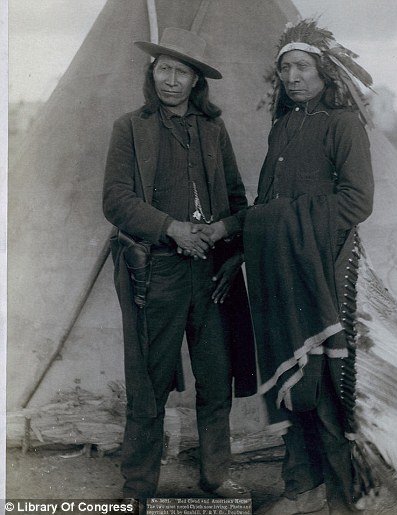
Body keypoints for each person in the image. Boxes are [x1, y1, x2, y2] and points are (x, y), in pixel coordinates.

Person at [102, 27, 256, 503]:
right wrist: (172, 228)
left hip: (210, 276)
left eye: (181, 72)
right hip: (157, 274)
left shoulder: (213, 130)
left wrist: (222, 235)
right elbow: (116, 200)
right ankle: (138, 489)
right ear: (153, 74)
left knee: (216, 379)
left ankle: (215, 477)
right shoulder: (130, 128)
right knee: (148, 384)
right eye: (164, 69)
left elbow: (237, 200)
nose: (171, 80)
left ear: (195, 82)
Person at [243, 19, 375, 515]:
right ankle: (301, 487)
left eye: (302, 66)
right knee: (291, 379)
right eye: (285, 69)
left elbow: (357, 201)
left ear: (324, 71)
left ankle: (341, 496)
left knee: (323, 378)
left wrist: (289, 225)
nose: (293, 77)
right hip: (279, 263)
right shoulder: (282, 127)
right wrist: (253, 232)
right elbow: (265, 200)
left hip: (324, 265)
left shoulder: (342, 124)